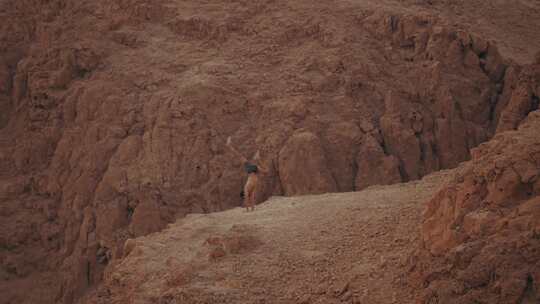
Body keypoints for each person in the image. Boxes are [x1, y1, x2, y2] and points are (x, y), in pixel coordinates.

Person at [226, 136, 269, 212]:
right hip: (252, 175)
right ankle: (258, 159)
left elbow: (247, 197)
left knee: (239, 156)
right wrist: (248, 209)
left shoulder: (246, 189)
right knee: (265, 171)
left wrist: (247, 209)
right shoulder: (247, 188)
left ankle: (229, 146)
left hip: (253, 176)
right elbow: (249, 198)